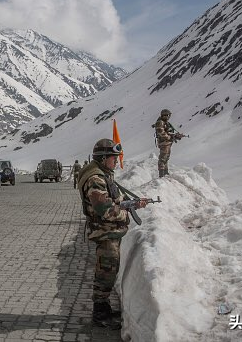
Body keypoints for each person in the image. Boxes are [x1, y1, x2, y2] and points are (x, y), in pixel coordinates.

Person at [77, 139, 148, 329]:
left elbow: (114, 199)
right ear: (103, 158)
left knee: (108, 270)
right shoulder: (96, 179)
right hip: (105, 233)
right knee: (105, 273)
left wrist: (132, 202)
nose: (116, 161)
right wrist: (126, 212)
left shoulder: (103, 175)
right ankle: (99, 314)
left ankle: (104, 308)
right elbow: (105, 210)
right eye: (113, 158)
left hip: (108, 232)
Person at [154, 109, 184, 178]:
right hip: (163, 143)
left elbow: (168, 131)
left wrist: (175, 135)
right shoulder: (160, 122)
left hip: (166, 143)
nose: (169, 117)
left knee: (166, 158)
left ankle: (165, 172)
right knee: (163, 158)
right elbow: (162, 133)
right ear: (165, 115)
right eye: (168, 115)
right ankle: (161, 174)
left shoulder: (165, 122)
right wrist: (170, 137)